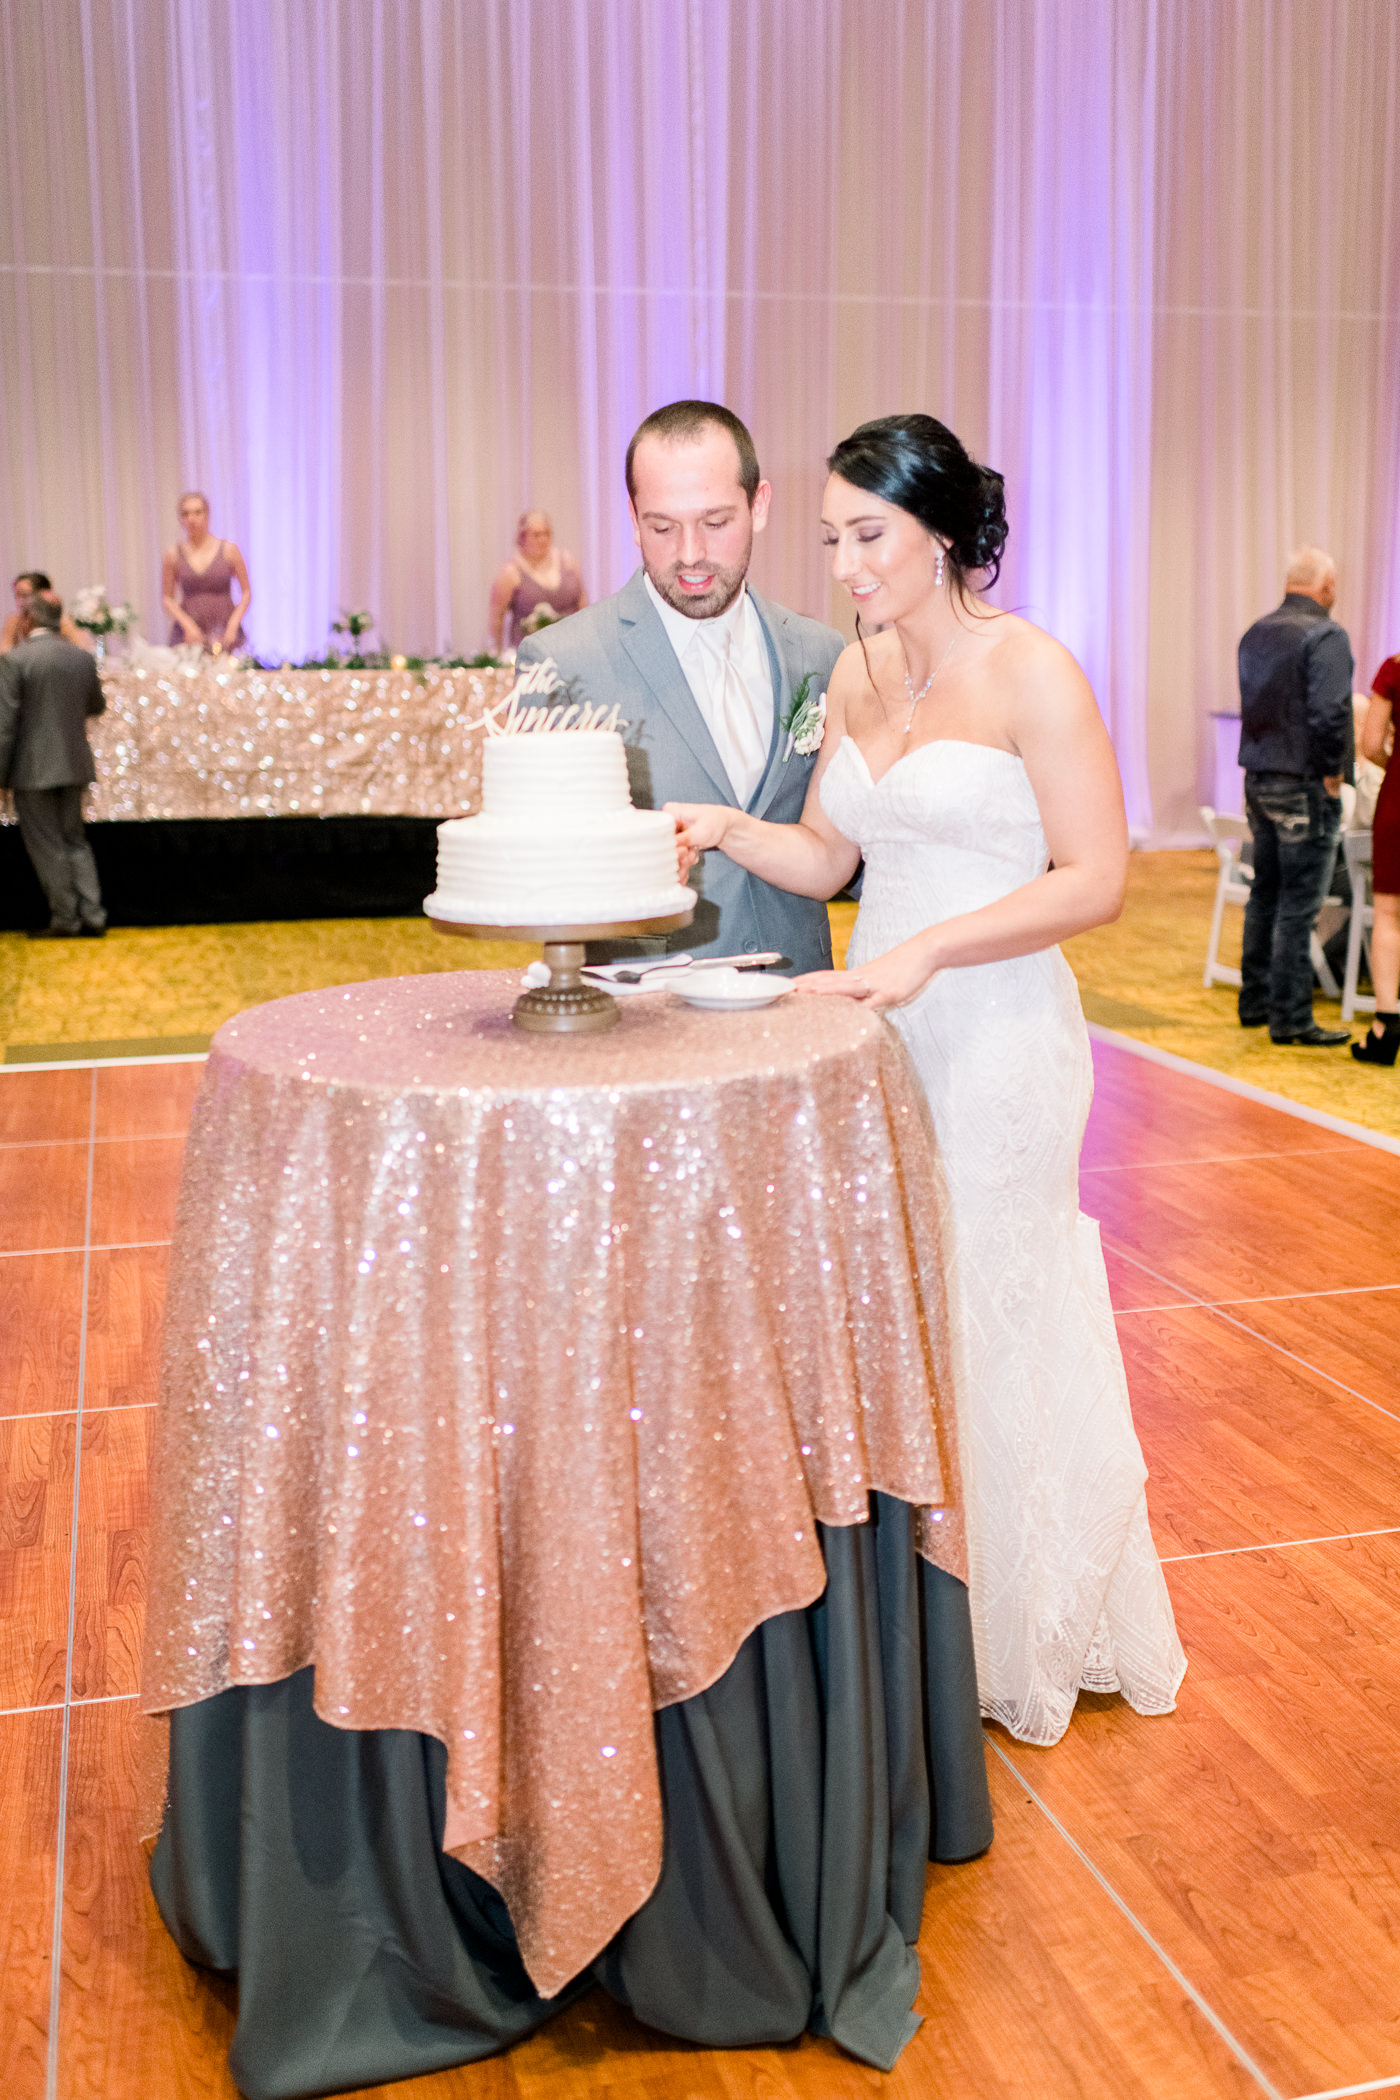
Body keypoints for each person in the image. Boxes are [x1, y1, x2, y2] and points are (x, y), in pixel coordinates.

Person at [668, 412, 1187, 1746]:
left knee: (992, 1300)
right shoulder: (853, 675)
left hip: (1002, 1034)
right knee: (899, 1314)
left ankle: (1018, 1627)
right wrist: (729, 828)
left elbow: (1098, 878)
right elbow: (831, 862)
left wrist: (933, 950)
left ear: (944, 531)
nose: (844, 564)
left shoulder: (1032, 672)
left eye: (870, 536)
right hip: (880, 1035)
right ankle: (917, 1622)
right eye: (833, 537)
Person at [516, 400, 843, 971]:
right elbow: (527, 870)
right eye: (662, 527)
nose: (690, 554)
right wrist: (620, 870)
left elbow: (848, 851)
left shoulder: (821, 654)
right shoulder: (561, 660)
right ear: (633, 515)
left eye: (716, 523)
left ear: (758, 505)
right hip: (649, 1017)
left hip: (802, 999)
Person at [1235, 549, 1354, 1046]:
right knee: (1298, 906)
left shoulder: (1256, 632)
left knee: (1264, 894)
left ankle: (1256, 1001)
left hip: (1258, 776)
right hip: (1304, 781)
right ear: (1325, 586)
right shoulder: (1326, 634)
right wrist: (1332, 773)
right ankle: (1291, 1018)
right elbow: (1330, 713)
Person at [0, 591, 107, 937]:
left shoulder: (16, 660)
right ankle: (93, 915)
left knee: (48, 845)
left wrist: (0, 775)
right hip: (75, 763)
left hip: (32, 769)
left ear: (28, 620)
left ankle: (66, 919)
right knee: (75, 840)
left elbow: (6, 724)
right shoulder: (82, 658)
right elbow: (96, 706)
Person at [1352, 650, 1400, 1066]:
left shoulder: (1394, 668)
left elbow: (1369, 744)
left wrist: (1394, 760)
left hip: (1398, 800)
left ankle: (1386, 1024)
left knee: (1388, 913)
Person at [161, 492, 251, 653]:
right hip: (188, 632)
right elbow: (167, 598)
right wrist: (187, 625)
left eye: (197, 512)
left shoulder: (229, 550)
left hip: (224, 630)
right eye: (186, 514)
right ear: (180, 519)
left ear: (207, 515)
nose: (192, 518)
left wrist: (233, 625)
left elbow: (246, 592)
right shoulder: (173, 554)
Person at [487, 510, 587, 654]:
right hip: (531, 654)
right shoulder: (510, 573)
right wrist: (496, 653)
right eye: (536, 535)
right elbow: (497, 617)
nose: (543, 539)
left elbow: (582, 604)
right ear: (522, 537)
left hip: (570, 650)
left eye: (547, 533)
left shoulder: (568, 563)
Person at [0, 571, 90, 653]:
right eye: (17, 596)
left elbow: (85, 651)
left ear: (46, 596)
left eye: (25, 596)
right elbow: (4, 658)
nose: (20, 602)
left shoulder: (62, 621)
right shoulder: (14, 621)